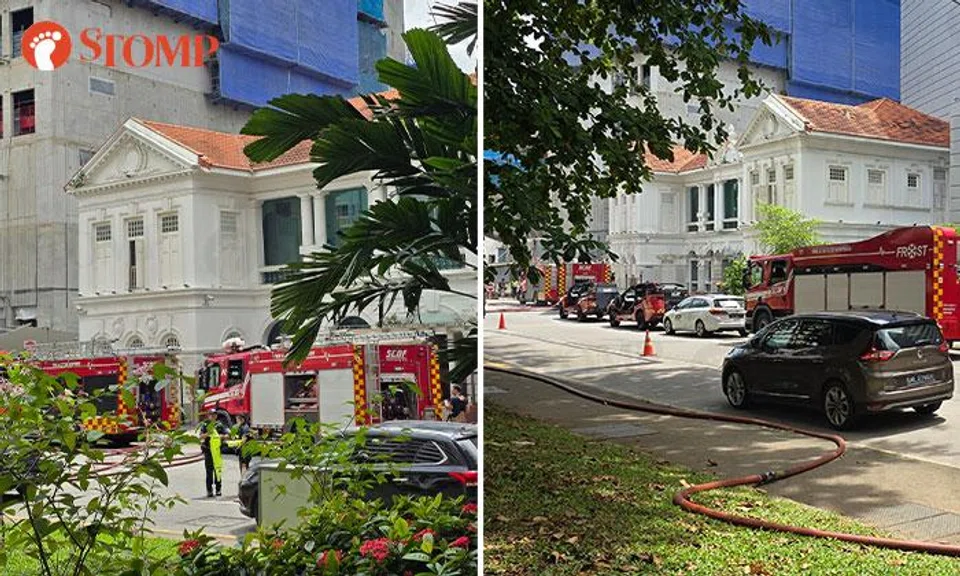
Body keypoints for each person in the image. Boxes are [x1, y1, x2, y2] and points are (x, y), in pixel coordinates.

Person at [200, 409, 226, 497]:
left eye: (214, 415)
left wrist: (219, 436)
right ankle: (209, 490)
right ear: (208, 416)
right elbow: (201, 436)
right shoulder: (205, 425)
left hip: (217, 451)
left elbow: (226, 435)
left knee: (217, 471)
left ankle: (218, 489)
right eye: (211, 414)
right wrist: (208, 433)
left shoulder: (219, 425)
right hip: (208, 450)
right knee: (209, 472)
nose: (212, 416)